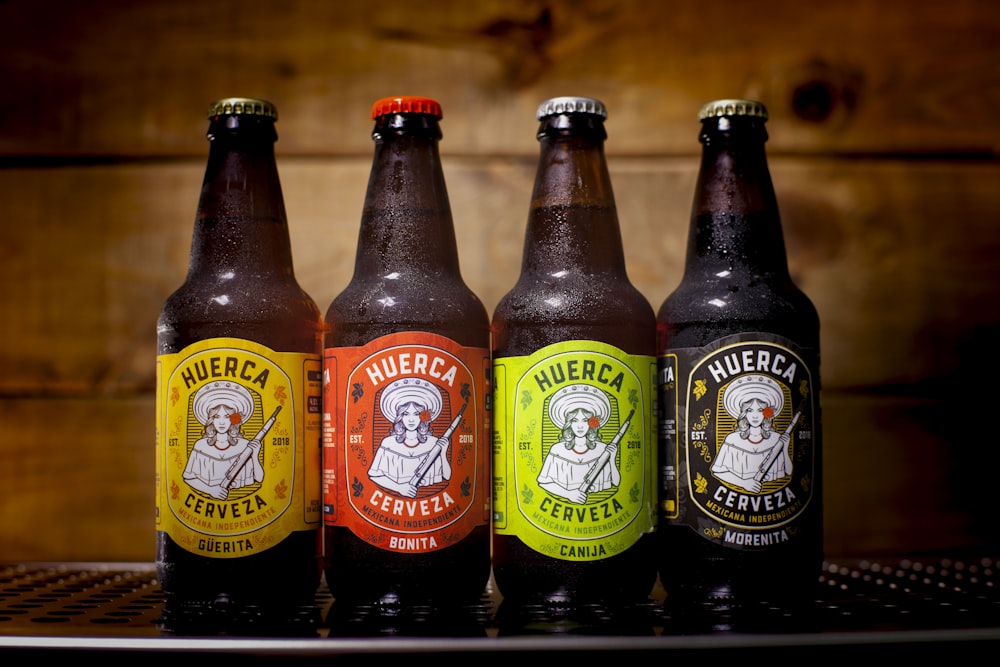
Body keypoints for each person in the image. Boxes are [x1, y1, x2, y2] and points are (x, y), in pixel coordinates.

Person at [369, 377, 453, 498]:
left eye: (417, 414)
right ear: (399, 417)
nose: (411, 419)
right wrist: (399, 488)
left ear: (424, 416)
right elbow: (374, 475)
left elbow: (447, 476)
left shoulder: (434, 442)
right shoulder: (388, 443)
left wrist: (443, 452)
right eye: (406, 414)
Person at [537, 384, 621, 504]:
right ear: (568, 424)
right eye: (575, 420)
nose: (580, 426)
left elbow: (616, 482)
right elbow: (543, 482)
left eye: (585, 420)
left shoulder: (603, 448)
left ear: (592, 423)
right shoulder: (558, 450)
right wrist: (568, 494)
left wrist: (612, 458)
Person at [183, 381, 265, 500]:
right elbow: (188, 478)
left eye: (227, 417)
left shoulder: (245, 445)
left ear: (233, 419)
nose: (221, 422)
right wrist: (211, 490)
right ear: (211, 420)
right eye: (217, 417)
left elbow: (259, 478)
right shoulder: (201, 446)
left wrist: (255, 455)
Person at [711, 374, 792, 494]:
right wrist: (744, 483)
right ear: (744, 414)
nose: (755, 416)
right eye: (749, 410)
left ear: (766, 413)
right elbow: (717, 470)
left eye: (760, 410)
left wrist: (785, 448)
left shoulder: (776, 439)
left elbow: (789, 472)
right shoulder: (733, 440)